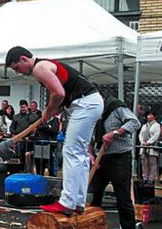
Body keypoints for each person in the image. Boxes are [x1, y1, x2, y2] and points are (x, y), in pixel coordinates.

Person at [6, 46, 103, 215]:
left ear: (23, 59)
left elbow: (58, 93)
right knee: (78, 154)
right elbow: (62, 95)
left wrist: (49, 110)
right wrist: (53, 110)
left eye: (17, 68)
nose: (18, 72)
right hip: (88, 102)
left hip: (85, 103)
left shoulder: (39, 68)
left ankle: (67, 202)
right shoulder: (45, 65)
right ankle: (78, 201)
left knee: (71, 151)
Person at [90, 96, 140, 229]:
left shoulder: (116, 107)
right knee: (94, 198)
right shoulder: (91, 113)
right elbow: (89, 138)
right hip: (101, 158)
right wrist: (91, 154)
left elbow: (134, 122)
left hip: (120, 157)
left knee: (123, 199)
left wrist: (115, 132)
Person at [139, 111, 161, 185]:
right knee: (144, 163)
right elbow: (140, 135)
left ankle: (152, 178)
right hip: (143, 146)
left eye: (150, 115)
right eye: (148, 115)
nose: (149, 116)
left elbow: (156, 135)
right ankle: (145, 178)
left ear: (154, 116)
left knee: (152, 163)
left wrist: (148, 142)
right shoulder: (144, 126)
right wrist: (143, 142)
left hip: (152, 146)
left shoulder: (156, 125)